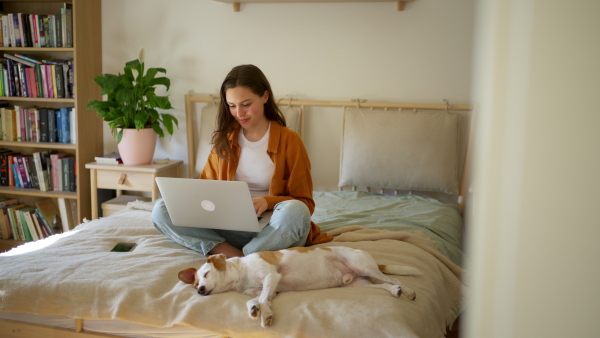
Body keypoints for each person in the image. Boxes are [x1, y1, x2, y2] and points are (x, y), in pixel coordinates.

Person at [152, 64, 331, 258]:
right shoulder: (224, 141)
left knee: (297, 212)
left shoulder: (290, 140)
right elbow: (204, 193)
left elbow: (305, 203)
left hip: (273, 229)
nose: (239, 113)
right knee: (161, 209)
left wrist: (268, 202)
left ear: (265, 96)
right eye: (232, 106)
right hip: (229, 229)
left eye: (246, 104)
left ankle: (247, 255)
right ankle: (235, 255)